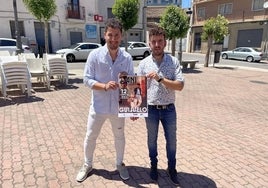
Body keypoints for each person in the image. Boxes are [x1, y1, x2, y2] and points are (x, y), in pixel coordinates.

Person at [76, 18, 134, 182]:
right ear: (105, 35)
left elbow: (132, 84)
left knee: (119, 137)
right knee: (90, 136)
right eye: (110, 35)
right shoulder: (94, 55)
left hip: (118, 107)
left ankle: (120, 164)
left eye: (116, 35)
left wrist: (132, 107)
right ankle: (87, 164)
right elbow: (86, 80)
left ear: (121, 36)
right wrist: (104, 86)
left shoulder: (127, 58)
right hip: (98, 107)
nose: (113, 39)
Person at [136, 26, 184, 186]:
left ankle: (172, 168)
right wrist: (133, 108)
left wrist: (161, 79)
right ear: (149, 43)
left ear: (165, 42)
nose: (157, 44)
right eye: (154, 41)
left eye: (160, 41)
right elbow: (137, 89)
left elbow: (180, 85)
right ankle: (154, 166)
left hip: (169, 109)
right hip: (150, 109)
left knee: (172, 141)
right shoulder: (143, 64)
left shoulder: (173, 62)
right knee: (151, 140)